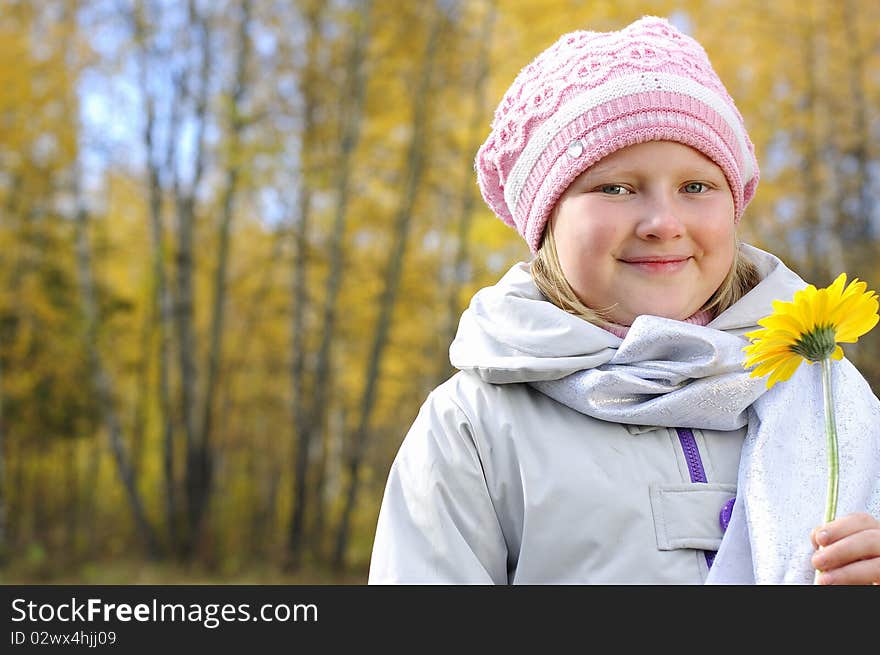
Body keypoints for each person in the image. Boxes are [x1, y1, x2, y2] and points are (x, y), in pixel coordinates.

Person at [367, 15, 880, 584]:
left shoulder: (824, 398)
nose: (663, 222)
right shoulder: (475, 425)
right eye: (615, 188)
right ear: (547, 223)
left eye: (696, 187)